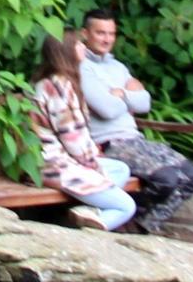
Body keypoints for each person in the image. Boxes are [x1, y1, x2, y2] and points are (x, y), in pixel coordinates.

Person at [78, 9, 193, 233]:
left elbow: (145, 103)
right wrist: (128, 97)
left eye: (111, 33)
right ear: (85, 33)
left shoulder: (118, 67)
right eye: (100, 33)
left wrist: (121, 94)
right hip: (109, 145)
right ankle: (128, 225)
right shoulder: (82, 68)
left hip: (136, 140)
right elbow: (106, 110)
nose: (107, 39)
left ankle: (138, 226)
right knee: (166, 179)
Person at [28, 32, 139, 231]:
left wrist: (93, 163)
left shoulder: (53, 81)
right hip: (53, 165)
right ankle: (87, 232)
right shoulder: (59, 86)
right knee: (126, 207)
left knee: (120, 169)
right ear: (67, 50)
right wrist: (92, 164)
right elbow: (72, 137)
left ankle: (90, 211)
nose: (83, 47)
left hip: (57, 160)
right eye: (78, 44)